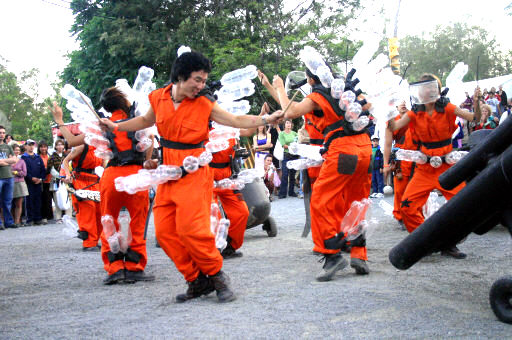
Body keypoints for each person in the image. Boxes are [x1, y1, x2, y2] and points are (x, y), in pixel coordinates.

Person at [99, 50, 283, 302]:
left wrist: (265, 118)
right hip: (168, 175)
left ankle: (217, 276)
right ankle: (196, 280)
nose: (201, 85)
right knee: (164, 233)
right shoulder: (157, 98)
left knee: (191, 230)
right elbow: (144, 121)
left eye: (204, 80)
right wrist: (117, 126)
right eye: (197, 79)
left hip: (195, 173)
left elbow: (235, 119)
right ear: (180, 77)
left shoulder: (204, 103)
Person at [272, 66, 372, 280]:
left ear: (310, 78)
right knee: (356, 201)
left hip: (343, 150)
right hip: (365, 148)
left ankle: (332, 255)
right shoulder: (346, 90)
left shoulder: (319, 94)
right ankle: (359, 254)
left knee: (320, 200)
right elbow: (369, 107)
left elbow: (291, 111)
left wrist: (280, 86)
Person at [387, 74, 481, 259]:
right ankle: (426, 240)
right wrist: (387, 109)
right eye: (424, 88)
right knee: (407, 206)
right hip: (424, 169)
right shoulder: (414, 113)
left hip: (447, 167)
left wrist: (476, 101)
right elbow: (394, 126)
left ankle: (449, 242)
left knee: (463, 206)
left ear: (436, 90)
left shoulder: (447, 107)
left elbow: (473, 117)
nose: (427, 91)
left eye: (430, 88)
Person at [61, 143, 103, 251]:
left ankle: (95, 239)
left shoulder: (101, 146)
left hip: (95, 180)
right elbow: (65, 161)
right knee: (87, 210)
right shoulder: (82, 146)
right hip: (80, 180)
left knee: (100, 211)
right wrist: (68, 175)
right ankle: (89, 242)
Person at [383, 102, 418, 230]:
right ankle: (400, 215)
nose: (403, 104)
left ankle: (415, 212)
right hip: (401, 157)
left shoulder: (416, 116)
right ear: (396, 107)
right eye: (400, 102)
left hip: (417, 154)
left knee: (417, 187)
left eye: (405, 101)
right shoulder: (393, 122)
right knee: (400, 188)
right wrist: (386, 163)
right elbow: (387, 144)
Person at [21, 139, 45, 226]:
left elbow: (43, 170)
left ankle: (38, 218)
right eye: (29, 145)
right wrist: (31, 178)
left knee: (38, 200)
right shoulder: (23, 158)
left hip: (38, 183)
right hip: (29, 183)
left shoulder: (38, 157)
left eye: (32, 145)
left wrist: (40, 179)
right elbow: (24, 171)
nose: (31, 147)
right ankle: (30, 219)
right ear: (25, 146)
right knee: (29, 201)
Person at [47, 139, 72, 223]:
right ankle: (58, 217)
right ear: (55, 146)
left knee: (68, 198)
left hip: (67, 179)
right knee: (57, 198)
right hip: (56, 181)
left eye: (61, 144)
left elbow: (70, 167)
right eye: (58, 145)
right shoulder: (52, 157)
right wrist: (61, 177)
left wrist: (67, 177)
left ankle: (68, 216)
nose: (60, 146)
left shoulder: (67, 156)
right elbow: (51, 169)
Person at [0, 126, 17, 230]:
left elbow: (14, 160)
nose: (1, 134)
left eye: (3, 133)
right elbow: (10, 160)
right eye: (0, 132)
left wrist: (2, 161)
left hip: (9, 177)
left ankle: (9, 222)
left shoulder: (8, 146)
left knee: (7, 201)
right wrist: (8, 161)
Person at [277, 119, 298, 199]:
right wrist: (292, 147)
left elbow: (298, 142)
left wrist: (294, 147)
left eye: (290, 123)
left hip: (294, 155)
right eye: (287, 123)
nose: (288, 124)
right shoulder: (282, 134)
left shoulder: (295, 133)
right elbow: (283, 145)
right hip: (286, 155)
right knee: (285, 174)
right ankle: (282, 193)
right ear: (284, 125)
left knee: (292, 175)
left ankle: (291, 192)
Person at [11, 144, 28, 228]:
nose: (16, 151)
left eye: (18, 150)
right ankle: (10, 221)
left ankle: (17, 221)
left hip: (20, 183)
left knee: (19, 204)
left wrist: (16, 172)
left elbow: (24, 173)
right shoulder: (8, 160)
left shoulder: (22, 161)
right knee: (9, 203)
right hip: (10, 183)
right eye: (15, 150)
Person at [38, 140, 53, 224]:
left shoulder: (50, 156)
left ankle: (50, 215)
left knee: (50, 198)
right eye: (41, 147)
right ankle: (44, 216)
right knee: (44, 198)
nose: (43, 148)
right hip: (42, 180)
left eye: (45, 147)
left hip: (50, 180)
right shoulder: (37, 157)